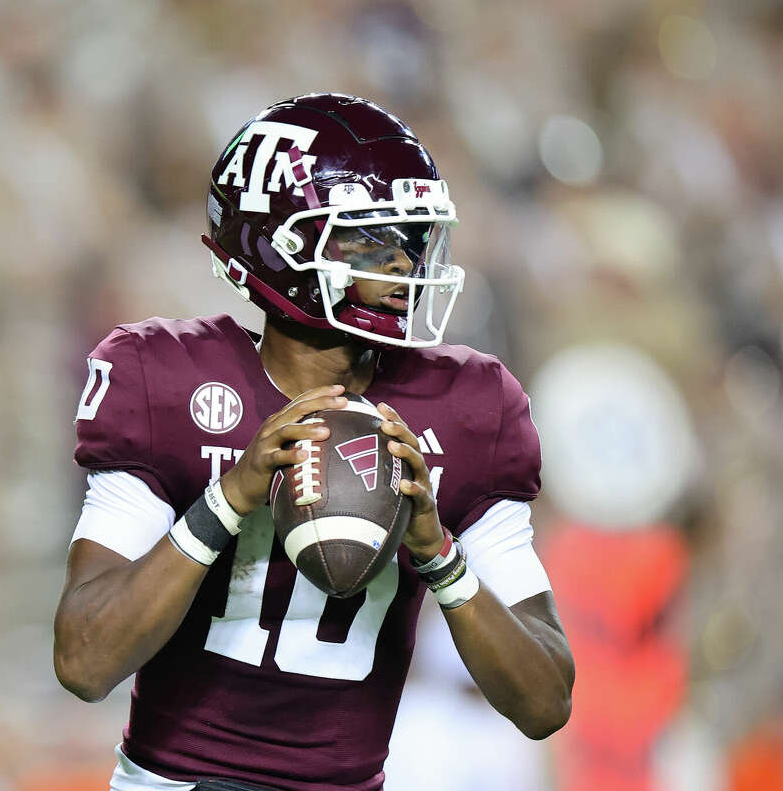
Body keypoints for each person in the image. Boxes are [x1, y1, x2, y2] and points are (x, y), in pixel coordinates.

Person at [53, 93, 574, 791]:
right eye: (371, 241)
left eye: (412, 241)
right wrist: (229, 498)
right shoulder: (169, 383)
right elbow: (85, 662)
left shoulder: (468, 409)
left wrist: (439, 557)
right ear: (282, 242)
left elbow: (546, 701)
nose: (405, 268)